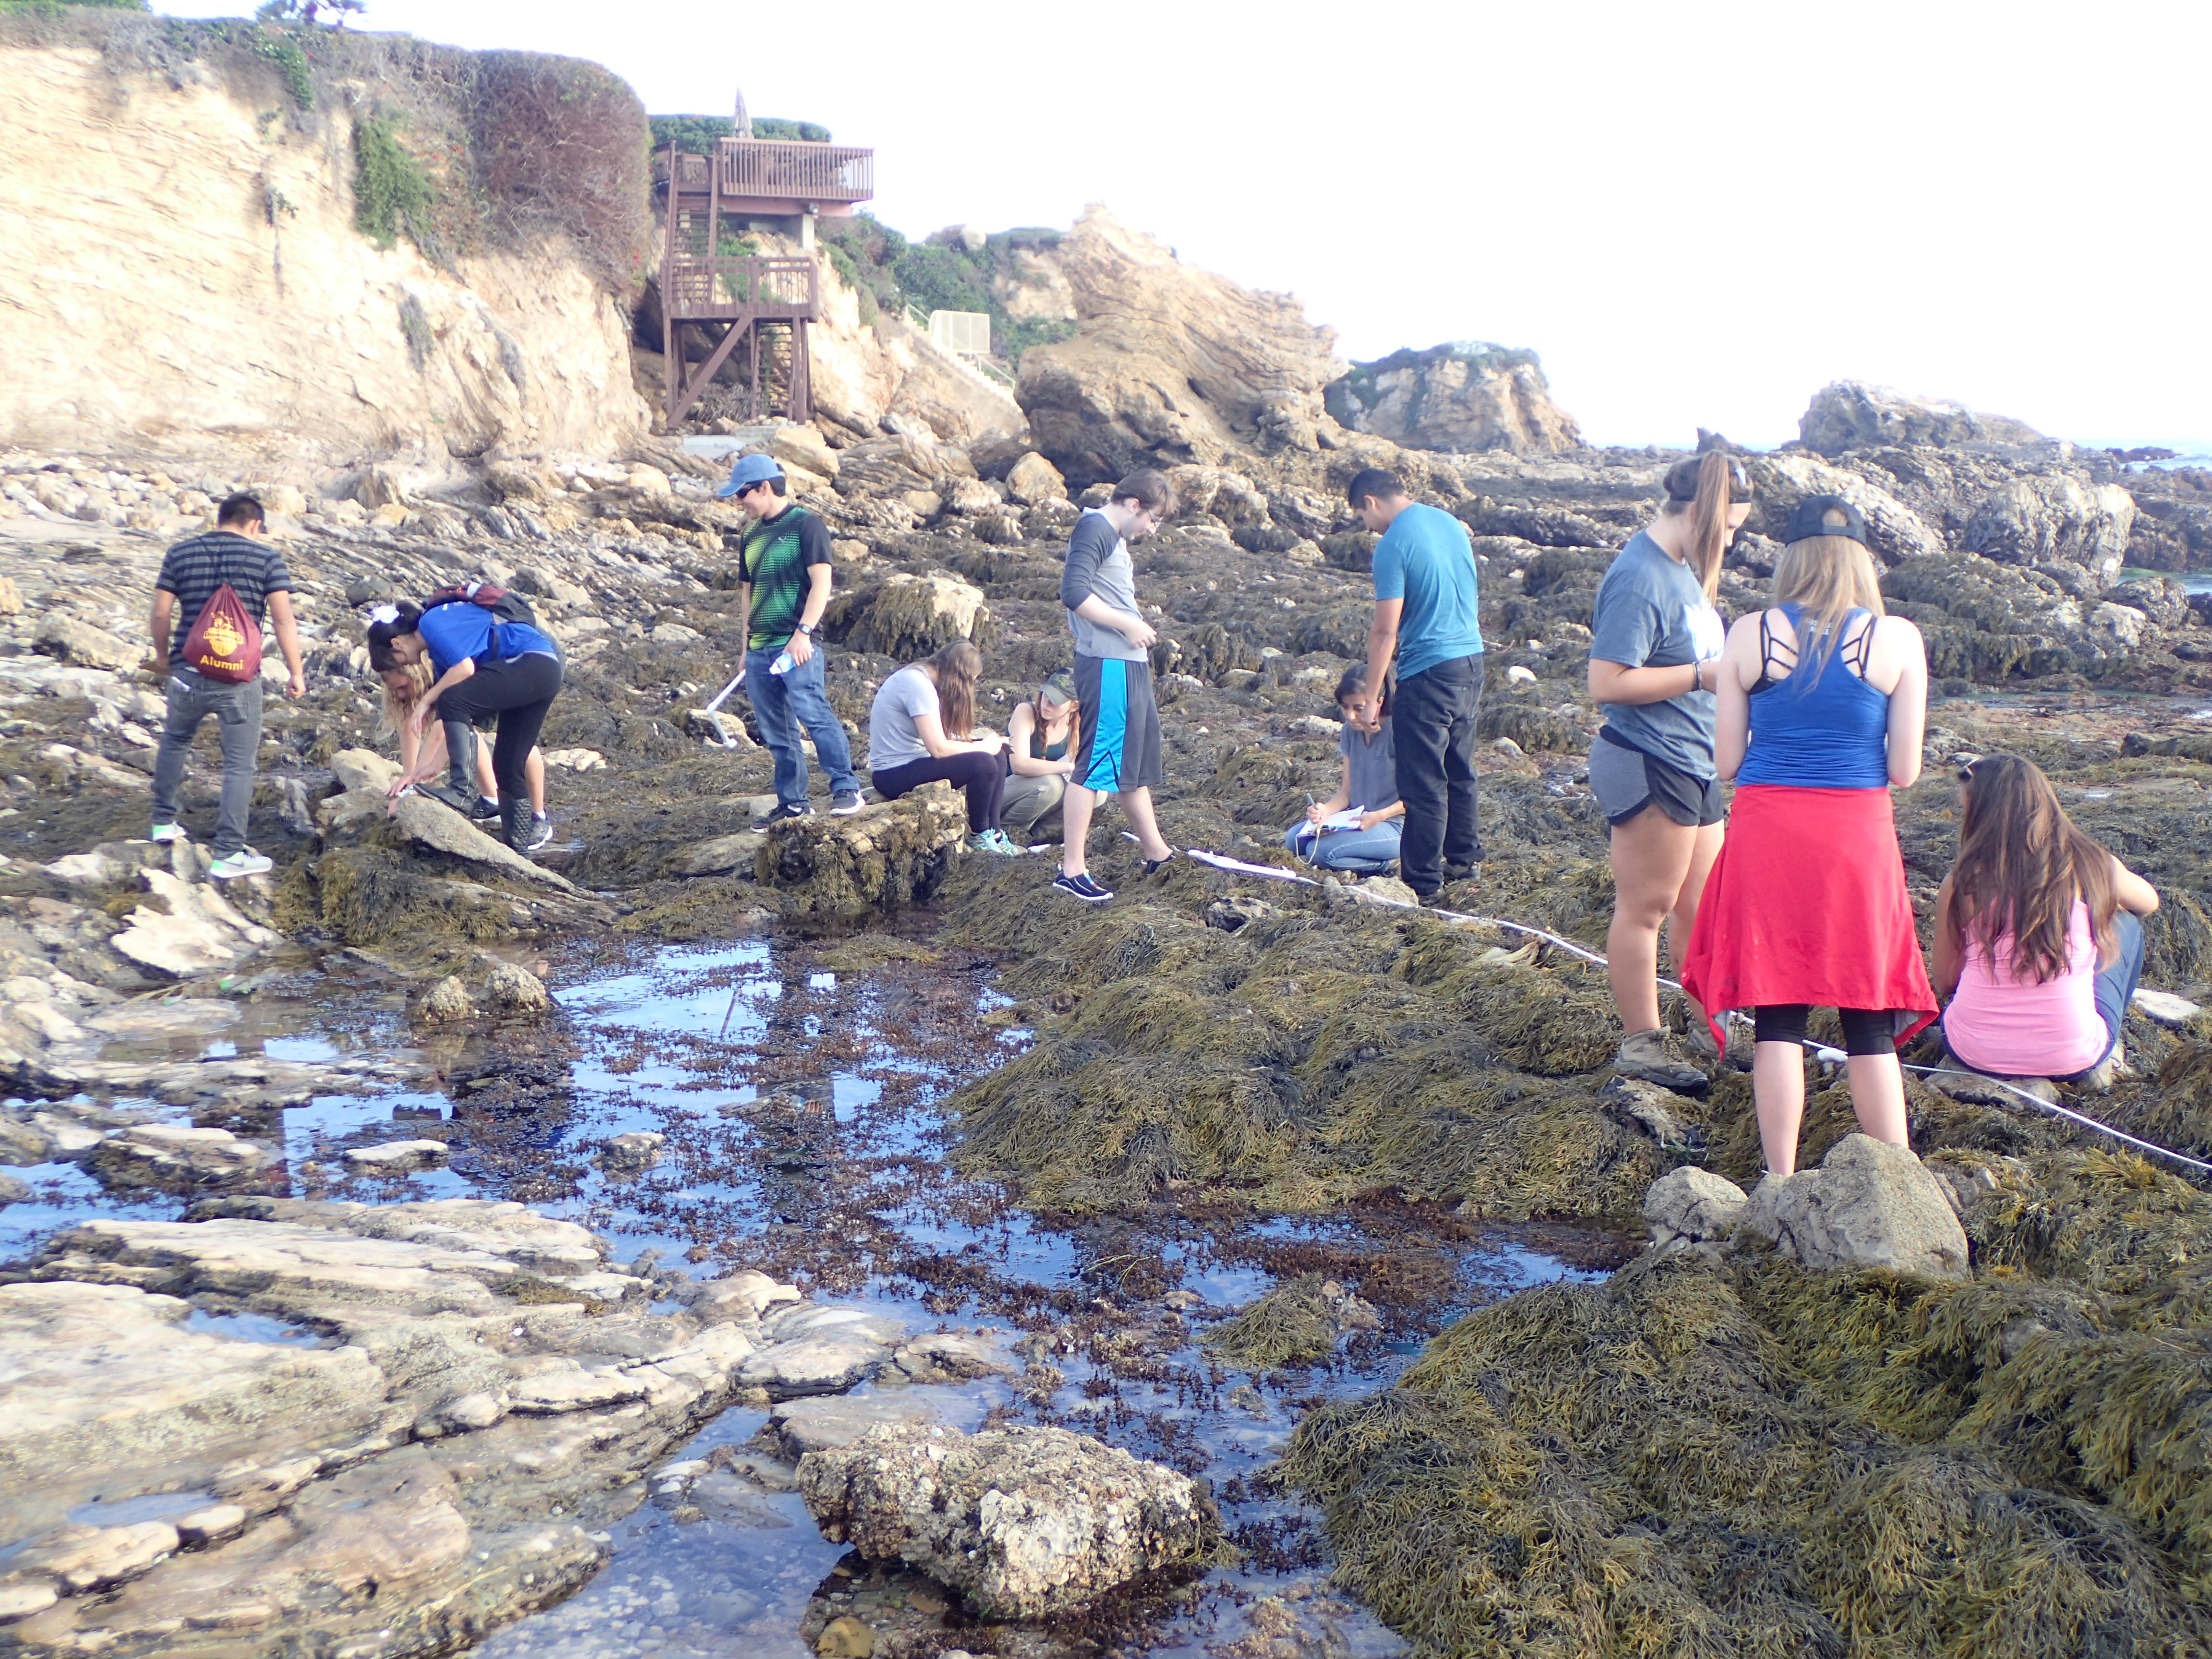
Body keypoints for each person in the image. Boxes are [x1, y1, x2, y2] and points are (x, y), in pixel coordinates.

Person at [1683, 495, 1936, 1179]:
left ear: (1791, 557)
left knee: (1779, 1014)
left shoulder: (1749, 633)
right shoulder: (1898, 638)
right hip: (1856, 835)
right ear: (1861, 560)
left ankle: (1781, 1178)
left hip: (1770, 833)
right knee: (1869, 1016)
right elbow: (1905, 771)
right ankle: (1897, 1179)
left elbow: (1727, 764)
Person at [1588, 452, 1751, 1089]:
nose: (1733, 540)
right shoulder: (1640, 577)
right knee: (1646, 907)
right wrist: (1701, 676)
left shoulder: (1683, 572)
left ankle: (1705, 1023)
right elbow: (1606, 681)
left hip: (1694, 760)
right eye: (1732, 528)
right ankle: (1642, 1042)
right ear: (1703, 513)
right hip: (1650, 761)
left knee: (1702, 907)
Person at [1935, 754, 2158, 1085]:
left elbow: (1944, 981)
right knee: (2126, 922)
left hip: (1972, 1050)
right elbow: (2149, 902)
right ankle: (2101, 1045)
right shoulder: (2092, 864)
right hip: (2072, 1057)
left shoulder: (1961, 882)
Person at [1342, 469, 1483, 901]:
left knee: (1422, 781)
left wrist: (1370, 696)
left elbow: (1385, 631)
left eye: (1361, 516)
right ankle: (1463, 862)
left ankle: (1422, 884)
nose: (1367, 527)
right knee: (1460, 767)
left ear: (1370, 501)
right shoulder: (1448, 522)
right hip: (1472, 660)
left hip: (1428, 669)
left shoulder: (1392, 545)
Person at [148, 493, 306, 880]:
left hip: (187, 672)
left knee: (175, 741)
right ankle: (228, 854)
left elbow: (161, 612)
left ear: (220, 519)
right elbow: (284, 622)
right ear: (255, 525)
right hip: (238, 679)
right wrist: (296, 672)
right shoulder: (266, 558)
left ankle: (163, 823)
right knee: (239, 765)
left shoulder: (181, 553)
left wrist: (164, 658)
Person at [719, 452, 864, 821]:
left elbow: (823, 582)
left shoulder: (806, 525)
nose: (740, 503)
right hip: (759, 649)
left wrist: (803, 634)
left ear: (765, 488)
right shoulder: (750, 534)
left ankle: (846, 789)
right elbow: (748, 593)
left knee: (814, 715)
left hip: (795, 643)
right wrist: (744, 648)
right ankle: (793, 803)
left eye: (742, 495)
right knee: (777, 732)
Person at [1055, 469, 1178, 903]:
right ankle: (1072, 869)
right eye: (1153, 519)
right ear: (1133, 505)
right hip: (1108, 663)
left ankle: (1157, 853)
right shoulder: (1096, 528)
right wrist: (1128, 624)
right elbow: (1073, 592)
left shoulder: (1111, 534)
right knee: (1095, 764)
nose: (1152, 529)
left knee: (1129, 764)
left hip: (1125, 663)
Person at [366, 596, 563, 854]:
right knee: (507, 763)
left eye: (400, 661)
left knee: (452, 698)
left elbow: (465, 669)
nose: (410, 665)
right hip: (543, 673)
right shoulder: (438, 656)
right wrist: (428, 769)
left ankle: (462, 789)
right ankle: (518, 846)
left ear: (397, 643)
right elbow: (449, 722)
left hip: (533, 662)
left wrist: (427, 700)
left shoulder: (431, 622)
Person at [866, 641, 1020, 855]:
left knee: (999, 754)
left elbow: (938, 738)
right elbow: (938, 749)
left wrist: (985, 744)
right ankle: (979, 835)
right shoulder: (918, 685)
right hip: (892, 775)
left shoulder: (923, 677)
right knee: (983, 762)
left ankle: (994, 834)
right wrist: (983, 746)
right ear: (958, 677)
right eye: (970, 683)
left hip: (916, 760)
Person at [377, 655, 549, 845]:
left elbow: (440, 732)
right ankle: (492, 801)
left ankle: (539, 818)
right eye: (395, 690)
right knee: (468, 730)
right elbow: (410, 723)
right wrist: (408, 778)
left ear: (417, 675)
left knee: (517, 740)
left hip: (524, 665)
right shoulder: (418, 681)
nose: (400, 694)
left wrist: (413, 786)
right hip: (495, 670)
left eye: (403, 687)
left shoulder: (447, 675)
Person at [1285, 665, 1405, 874]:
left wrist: (1379, 816)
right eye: (1345, 707)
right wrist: (1325, 811)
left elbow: (1419, 798)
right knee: (1294, 841)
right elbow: (1347, 793)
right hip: (1356, 818)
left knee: (1322, 853)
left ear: (1380, 702)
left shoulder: (1399, 732)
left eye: (1358, 708)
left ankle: (1390, 864)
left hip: (1395, 825)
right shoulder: (1351, 731)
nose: (1350, 716)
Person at [1000, 672, 1079, 844]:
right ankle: (1005, 832)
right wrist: (1067, 768)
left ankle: (1041, 835)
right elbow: (1019, 765)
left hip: (1038, 799)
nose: (1047, 704)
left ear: (1074, 706)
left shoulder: (1077, 725)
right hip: (1003, 792)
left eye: (1056, 701)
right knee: (1052, 785)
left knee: (1097, 793)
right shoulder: (1026, 711)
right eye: (1046, 695)